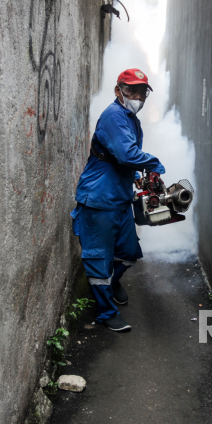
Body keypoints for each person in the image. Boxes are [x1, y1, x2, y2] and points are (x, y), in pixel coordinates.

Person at [70, 68, 166, 332]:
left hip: (120, 198)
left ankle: (111, 284)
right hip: (99, 199)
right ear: (118, 90)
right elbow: (125, 153)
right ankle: (106, 312)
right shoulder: (114, 116)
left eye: (142, 91)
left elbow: (119, 157)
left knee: (127, 253)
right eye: (132, 90)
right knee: (98, 258)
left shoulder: (129, 118)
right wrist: (154, 164)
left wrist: (136, 176)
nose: (137, 96)